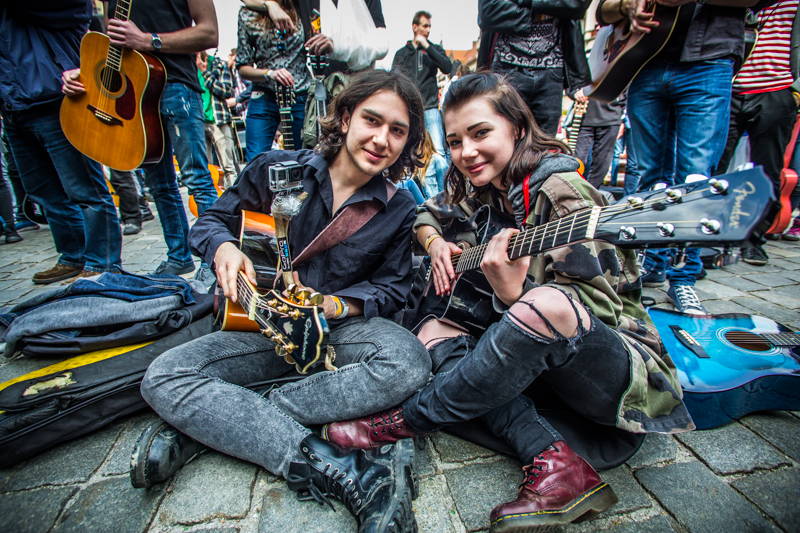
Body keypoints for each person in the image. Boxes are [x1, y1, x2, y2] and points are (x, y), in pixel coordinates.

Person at [322, 73, 694, 533]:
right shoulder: (482, 190)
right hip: (543, 372)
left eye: (481, 134)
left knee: (544, 304)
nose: (466, 153)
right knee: (432, 331)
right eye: (455, 141)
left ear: (517, 128)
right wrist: (436, 243)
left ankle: (404, 421)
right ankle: (552, 457)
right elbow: (425, 212)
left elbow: (588, 320)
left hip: (619, 377)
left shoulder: (563, 195)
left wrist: (511, 295)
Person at [134, 70, 431, 533]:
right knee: (163, 377)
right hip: (260, 328)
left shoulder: (399, 209)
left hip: (336, 334)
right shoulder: (274, 168)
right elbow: (210, 221)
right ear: (348, 116)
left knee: (409, 361)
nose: (381, 139)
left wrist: (335, 306)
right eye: (372, 120)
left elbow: (392, 290)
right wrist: (224, 249)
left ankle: (226, 418)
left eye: (398, 131)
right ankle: (334, 463)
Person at [597, 0, 764, 313]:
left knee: (697, 180)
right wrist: (625, 5)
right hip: (644, 60)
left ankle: (683, 278)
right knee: (646, 178)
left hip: (708, 58)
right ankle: (650, 264)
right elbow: (601, 10)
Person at [63, 0, 221, 277]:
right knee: (158, 182)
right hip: (132, 88)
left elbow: (209, 33)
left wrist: (149, 40)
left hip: (176, 83)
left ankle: (216, 262)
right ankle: (179, 257)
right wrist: (82, 72)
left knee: (197, 177)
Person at [2, 0, 122, 284]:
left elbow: (78, 10)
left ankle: (102, 263)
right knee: (41, 190)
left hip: (59, 98)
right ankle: (73, 255)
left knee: (85, 188)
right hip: (13, 104)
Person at [714, 0, 799, 250]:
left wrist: (796, 92)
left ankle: (753, 239)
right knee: (714, 166)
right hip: (729, 88)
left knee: (767, 171)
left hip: (777, 89)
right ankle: (705, 235)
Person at [476, 0, 592, 135]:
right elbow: (489, 13)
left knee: (546, 144)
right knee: (503, 138)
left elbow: (577, 5)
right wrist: (548, 10)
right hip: (506, 69)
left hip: (552, 71)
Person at [236, 1, 311, 159]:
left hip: (300, 94)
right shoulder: (248, 14)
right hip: (264, 95)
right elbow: (243, 67)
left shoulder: (301, 7)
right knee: (255, 162)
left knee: (305, 159)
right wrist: (269, 73)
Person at [391, 10, 452, 158]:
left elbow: (447, 67)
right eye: (424, 26)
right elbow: (393, 80)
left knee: (437, 152)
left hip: (430, 109)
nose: (428, 30)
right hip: (408, 109)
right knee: (405, 150)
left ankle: (443, 181)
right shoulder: (402, 53)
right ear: (414, 27)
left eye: (430, 26)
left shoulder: (434, 49)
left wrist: (427, 47)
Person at [572, 89, 626, 189]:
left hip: (612, 117)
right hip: (583, 114)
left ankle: (591, 194)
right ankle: (574, 191)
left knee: (602, 163)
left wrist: (622, 119)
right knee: (577, 160)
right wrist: (573, 92)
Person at [200, 51, 239, 189]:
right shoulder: (189, 67)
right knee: (205, 170)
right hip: (198, 121)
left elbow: (228, 91)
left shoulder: (220, 65)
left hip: (219, 120)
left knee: (228, 167)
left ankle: (234, 203)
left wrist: (205, 73)